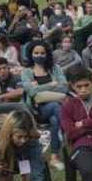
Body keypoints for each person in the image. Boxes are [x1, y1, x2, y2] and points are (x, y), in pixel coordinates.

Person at [20, 40, 67, 168]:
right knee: (56, 107)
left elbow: (64, 88)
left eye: (42, 53)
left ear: (47, 54)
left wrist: (39, 88)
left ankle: (54, 157)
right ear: (31, 54)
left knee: (55, 121)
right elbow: (31, 91)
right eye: (36, 53)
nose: (39, 55)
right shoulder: (26, 72)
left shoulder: (55, 68)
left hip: (56, 109)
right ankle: (68, 136)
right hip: (37, 110)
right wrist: (51, 85)